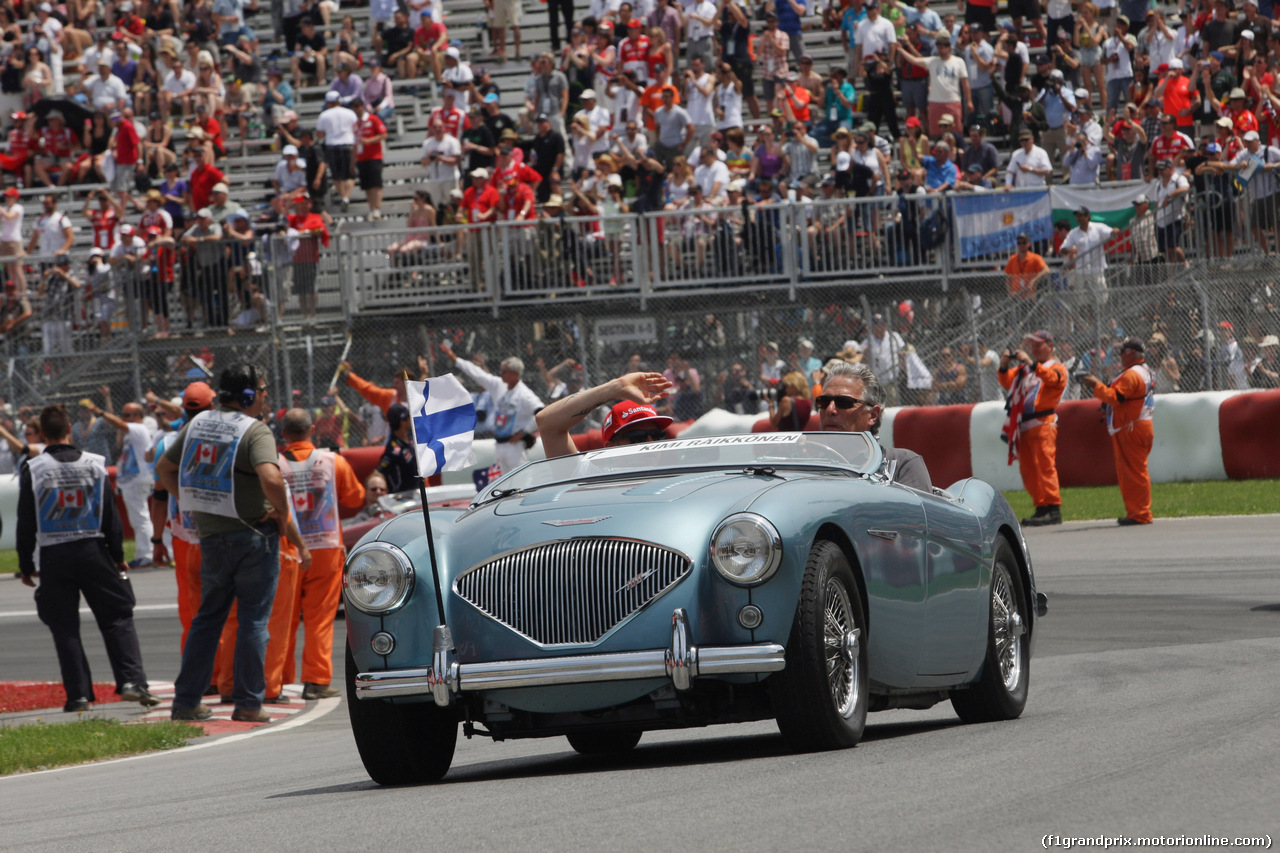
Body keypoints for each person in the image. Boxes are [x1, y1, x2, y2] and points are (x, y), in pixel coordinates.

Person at [157, 363, 290, 723]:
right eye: (261, 390)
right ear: (248, 396)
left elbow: (164, 470)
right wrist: (281, 513)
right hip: (253, 537)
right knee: (253, 622)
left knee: (207, 619)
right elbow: (271, 479)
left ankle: (186, 701)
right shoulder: (255, 430)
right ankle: (248, 702)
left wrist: (190, 501)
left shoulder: (196, 425)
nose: (265, 395)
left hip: (211, 537)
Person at [17, 404, 160, 712]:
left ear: (41, 434)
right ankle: (132, 681)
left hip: (54, 554)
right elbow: (110, 515)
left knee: (64, 626)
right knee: (117, 616)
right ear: (69, 429)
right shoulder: (95, 464)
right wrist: (119, 555)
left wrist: (26, 565)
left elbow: (26, 521)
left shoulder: (33, 468)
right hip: (93, 549)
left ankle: (78, 695)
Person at [277, 407, 365, 699]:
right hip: (325, 547)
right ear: (311, 429)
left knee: (282, 617)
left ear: (284, 433)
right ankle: (315, 681)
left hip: (288, 549)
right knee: (319, 619)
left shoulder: (274, 464)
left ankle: (278, 680)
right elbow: (355, 497)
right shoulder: (332, 461)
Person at [147, 381, 216, 654]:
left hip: (184, 538)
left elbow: (159, 497)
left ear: (183, 410)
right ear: (213, 405)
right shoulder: (229, 438)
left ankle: (203, 674)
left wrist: (156, 540)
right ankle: (227, 676)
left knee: (192, 611)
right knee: (228, 607)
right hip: (221, 534)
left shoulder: (166, 444)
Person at [818, 361, 932, 491]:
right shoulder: (806, 466)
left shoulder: (901, 465)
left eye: (844, 402)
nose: (830, 410)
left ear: (872, 415)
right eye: (824, 402)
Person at [1080, 338, 1155, 526]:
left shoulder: (1132, 375)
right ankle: (1137, 511)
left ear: (1131, 353)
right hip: (1138, 424)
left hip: (1132, 427)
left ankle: (1140, 513)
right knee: (1133, 471)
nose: (1120, 356)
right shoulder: (1145, 371)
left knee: (1133, 472)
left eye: (1123, 352)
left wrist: (1095, 385)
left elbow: (1116, 398)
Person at [439, 343, 543, 476]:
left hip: (515, 446)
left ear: (515, 373)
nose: (500, 374)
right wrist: (454, 358)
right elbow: (478, 374)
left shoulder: (525, 394)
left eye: (504, 371)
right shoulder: (499, 385)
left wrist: (525, 431)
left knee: (521, 480)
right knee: (506, 483)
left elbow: (541, 413)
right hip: (499, 444)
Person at [998, 330, 1068, 526]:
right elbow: (1006, 380)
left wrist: (1032, 363)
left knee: (1045, 466)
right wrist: (1004, 365)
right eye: (1033, 345)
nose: (1035, 348)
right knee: (1028, 470)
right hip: (1023, 423)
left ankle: (1053, 508)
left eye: (1039, 345)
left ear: (1050, 346)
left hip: (1043, 422)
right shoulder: (1024, 369)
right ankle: (1041, 507)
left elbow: (1053, 379)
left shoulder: (1058, 367)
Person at [82, 393, 154, 567]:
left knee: (140, 518)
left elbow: (118, 424)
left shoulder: (139, 428)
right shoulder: (129, 432)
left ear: (138, 416)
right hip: (131, 480)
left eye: (128, 415)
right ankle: (144, 552)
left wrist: (99, 412)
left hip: (138, 480)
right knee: (137, 518)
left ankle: (147, 554)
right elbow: (118, 445)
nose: (124, 419)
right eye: (123, 415)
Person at [537, 372, 674, 457]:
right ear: (611, 448)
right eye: (638, 438)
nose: (651, 444)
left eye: (657, 436)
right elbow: (547, 422)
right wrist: (616, 388)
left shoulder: (677, 475)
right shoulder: (593, 479)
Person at [1004, 232, 1049, 299]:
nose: (1021, 245)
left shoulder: (1035, 258)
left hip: (1030, 297)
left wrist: (1033, 281)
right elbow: (1008, 278)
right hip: (1016, 297)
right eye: (1019, 243)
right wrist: (1010, 292)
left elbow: (1046, 270)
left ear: (1029, 244)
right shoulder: (1012, 259)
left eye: (1024, 242)